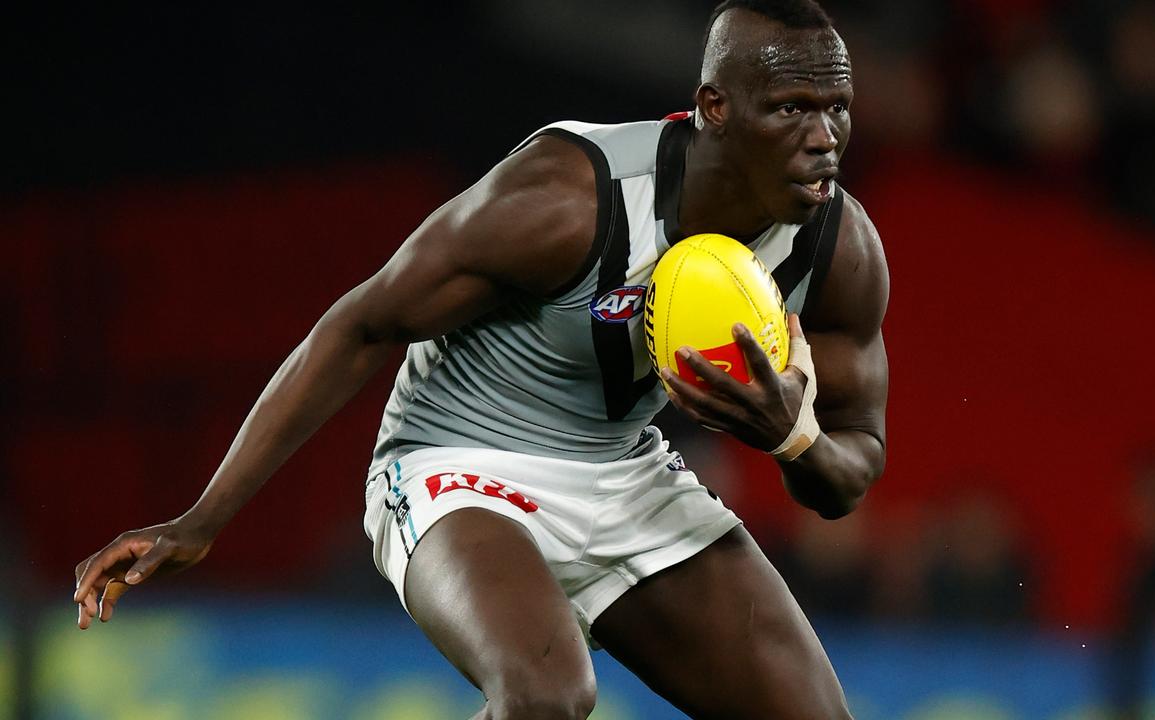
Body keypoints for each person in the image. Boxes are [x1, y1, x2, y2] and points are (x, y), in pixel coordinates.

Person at [73, 0, 889, 717]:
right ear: (715, 106)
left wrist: (793, 439)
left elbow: (852, 471)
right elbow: (360, 326)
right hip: (456, 463)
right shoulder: (567, 198)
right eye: (791, 108)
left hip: (624, 471)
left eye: (838, 109)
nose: (825, 140)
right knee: (545, 697)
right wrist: (202, 520)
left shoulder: (838, 245)